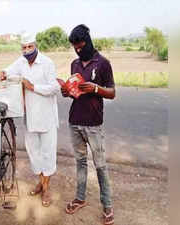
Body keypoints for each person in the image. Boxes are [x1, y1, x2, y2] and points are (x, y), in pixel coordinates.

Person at [62, 24, 116, 225]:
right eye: (74, 46)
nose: (77, 49)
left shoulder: (103, 63)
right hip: (74, 121)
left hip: (94, 123)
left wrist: (95, 88)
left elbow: (112, 93)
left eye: (80, 45)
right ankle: (80, 198)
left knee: (100, 165)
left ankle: (107, 205)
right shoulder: (74, 64)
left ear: (88, 41)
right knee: (80, 162)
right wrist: (67, 91)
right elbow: (75, 91)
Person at [0, 33, 60, 207]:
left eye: (29, 47)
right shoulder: (21, 61)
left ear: (36, 46)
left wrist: (32, 86)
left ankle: (45, 189)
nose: (26, 51)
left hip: (47, 116)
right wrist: (3, 73)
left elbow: (54, 87)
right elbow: (9, 70)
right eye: (24, 48)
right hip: (31, 117)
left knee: (47, 153)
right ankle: (42, 183)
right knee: (34, 153)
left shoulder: (47, 62)